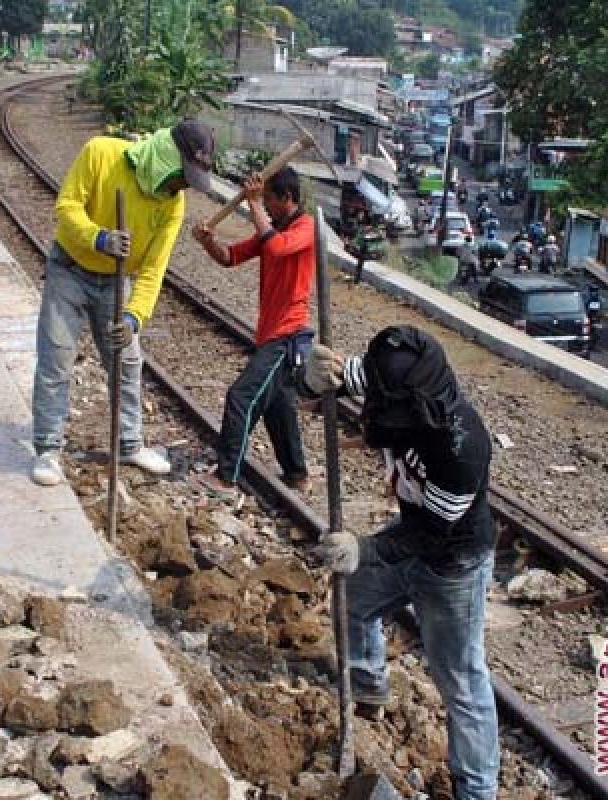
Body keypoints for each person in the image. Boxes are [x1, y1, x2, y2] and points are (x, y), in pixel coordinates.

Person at [304, 325, 500, 800]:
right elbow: (320, 384)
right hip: (413, 536)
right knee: (351, 599)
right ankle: (368, 687)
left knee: (462, 681)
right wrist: (310, 378)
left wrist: (364, 550)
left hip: (454, 563)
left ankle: (477, 790)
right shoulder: (383, 378)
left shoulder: (462, 447)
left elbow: (431, 532)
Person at [30, 119, 217, 486]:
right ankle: (47, 448)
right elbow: (66, 207)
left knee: (128, 361)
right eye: (181, 177)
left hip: (117, 282)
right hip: (70, 269)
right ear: (166, 158)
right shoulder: (101, 153)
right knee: (57, 358)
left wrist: (134, 316)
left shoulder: (172, 205)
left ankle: (129, 443)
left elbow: (153, 269)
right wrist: (97, 238)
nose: (181, 188)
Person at [190, 167, 315, 499]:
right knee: (279, 408)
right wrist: (208, 242)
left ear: (287, 199)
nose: (267, 208)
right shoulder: (272, 229)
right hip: (270, 333)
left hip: (287, 336)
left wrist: (253, 202)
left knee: (241, 398)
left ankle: (226, 477)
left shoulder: (306, 228)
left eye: (271, 201)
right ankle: (297, 475)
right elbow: (230, 257)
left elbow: (277, 248)